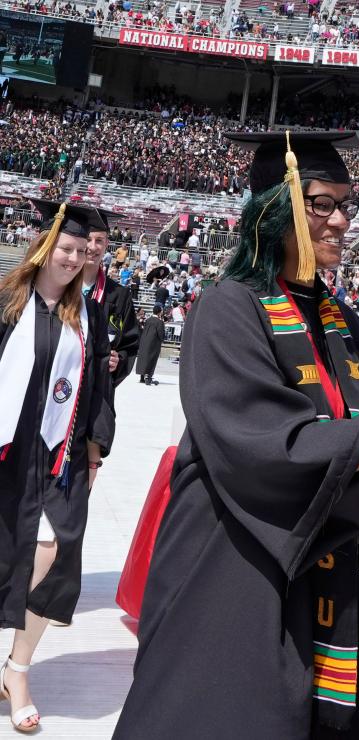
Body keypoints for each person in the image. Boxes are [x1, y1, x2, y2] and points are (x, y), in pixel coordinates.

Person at [113, 131, 359, 739]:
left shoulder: (343, 324)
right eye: (321, 203)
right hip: (235, 566)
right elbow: (271, 448)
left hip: (321, 569)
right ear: (274, 207)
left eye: (346, 204)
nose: (341, 220)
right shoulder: (228, 309)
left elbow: (345, 444)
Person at [0, 201, 115, 733]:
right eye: (66, 249)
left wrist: (94, 448)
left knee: (54, 551)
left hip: (58, 456)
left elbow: (96, 391)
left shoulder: (87, 316)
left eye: (82, 251)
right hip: (7, 450)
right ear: (45, 248)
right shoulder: (7, 302)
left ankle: (17, 668)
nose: (75, 258)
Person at [82, 208, 140, 398]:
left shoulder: (119, 295)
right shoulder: (60, 287)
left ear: (107, 244)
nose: (92, 246)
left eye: (99, 240)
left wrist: (119, 360)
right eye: (88, 239)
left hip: (96, 391)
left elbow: (130, 344)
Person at [136, 306, 164, 385]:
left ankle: (142, 377)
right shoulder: (159, 322)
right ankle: (148, 377)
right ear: (159, 312)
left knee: (143, 358)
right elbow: (161, 334)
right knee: (151, 359)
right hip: (153, 343)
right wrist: (162, 340)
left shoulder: (148, 320)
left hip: (144, 341)